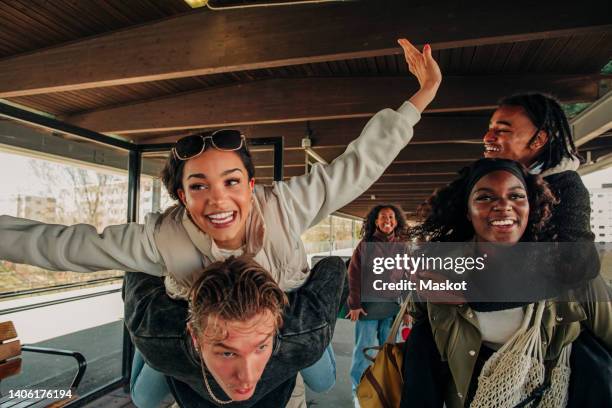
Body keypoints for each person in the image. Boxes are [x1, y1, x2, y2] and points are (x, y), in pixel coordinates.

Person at [0, 38, 442, 407]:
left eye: (231, 181)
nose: (217, 199)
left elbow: (358, 165)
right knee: (147, 395)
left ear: (251, 185)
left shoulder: (286, 206)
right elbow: (62, 244)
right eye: (198, 186)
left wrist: (419, 98)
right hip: (192, 334)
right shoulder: (161, 237)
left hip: (279, 329)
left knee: (322, 378)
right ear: (180, 196)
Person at [399, 158, 611, 408]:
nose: (503, 206)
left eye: (517, 196)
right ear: (467, 210)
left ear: (530, 206)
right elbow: (424, 339)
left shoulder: (571, 270)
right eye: (485, 197)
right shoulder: (436, 270)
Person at [124, 255, 348, 407]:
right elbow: (333, 266)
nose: (247, 378)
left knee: (143, 398)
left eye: (260, 347)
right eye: (227, 352)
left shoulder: (154, 333)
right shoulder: (158, 336)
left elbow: (135, 269)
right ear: (194, 336)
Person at [346, 204, 406, 406]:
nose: (387, 220)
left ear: (396, 221)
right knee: (364, 349)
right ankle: (358, 391)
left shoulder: (402, 247)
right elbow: (353, 275)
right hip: (367, 307)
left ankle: (384, 387)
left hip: (392, 308)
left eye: (391, 217)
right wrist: (354, 304)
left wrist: (408, 309)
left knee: (388, 351)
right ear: (376, 221)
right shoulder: (365, 245)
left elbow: (408, 277)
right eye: (383, 217)